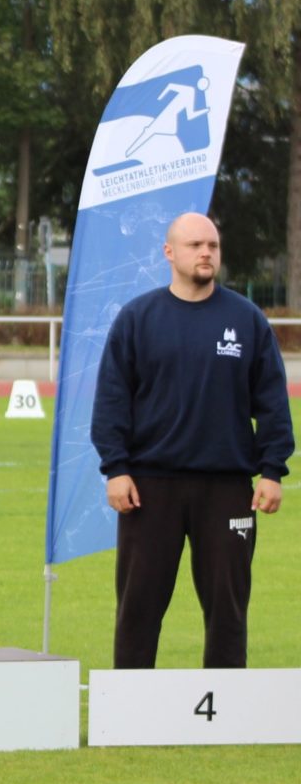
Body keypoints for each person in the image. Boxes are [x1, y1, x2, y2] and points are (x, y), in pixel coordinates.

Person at [92, 212, 292, 669]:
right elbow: (111, 401)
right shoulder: (137, 318)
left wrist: (272, 470)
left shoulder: (246, 320)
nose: (206, 253)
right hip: (148, 487)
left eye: (213, 246)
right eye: (195, 245)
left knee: (227, 607)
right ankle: (130, 707)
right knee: (139, 606)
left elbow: (272, 403)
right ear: (169, 253)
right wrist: (116, 469)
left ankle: (224, 709)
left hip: (227, 489)